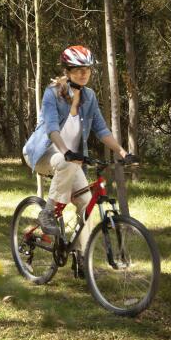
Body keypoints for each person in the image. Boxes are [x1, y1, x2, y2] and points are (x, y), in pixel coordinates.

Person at [22, 45, 135, 260]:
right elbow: (52, 128)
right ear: (67, 71)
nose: (83, 73)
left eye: (87, 69)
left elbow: (101, 129)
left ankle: (82, 257)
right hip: (42, 153)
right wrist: (66, 152)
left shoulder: (89, 96)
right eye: (77, 69)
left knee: (86, 205)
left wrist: (122, 152)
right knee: (67, 164)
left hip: (71, 160)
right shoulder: (52, 93)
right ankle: (48, 212)